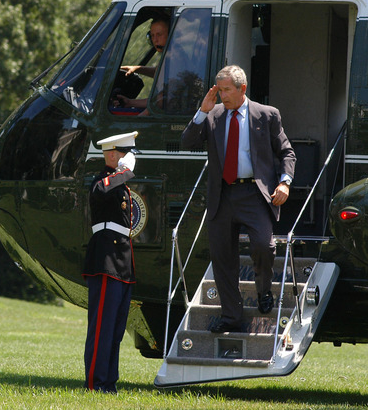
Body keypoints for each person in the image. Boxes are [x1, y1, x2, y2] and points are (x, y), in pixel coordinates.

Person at [181, 65, 296, 333]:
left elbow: (287, 153)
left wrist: (284, 183)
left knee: (263, 246)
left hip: (254, 194)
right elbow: (187, 142)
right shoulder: (213, 115)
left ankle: (264, 290)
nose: (222, 95)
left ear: (242, 88)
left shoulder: (267, 115)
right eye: (219, 90)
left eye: (226, 90)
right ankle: (231, 317)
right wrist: (202, 111)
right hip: (221, 195)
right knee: (222, 258)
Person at [83, 131, 139, 393]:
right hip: (106, 258)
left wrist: (123, 175)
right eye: (128, 153)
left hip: (122, 262)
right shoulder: (102, 180)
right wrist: (124, 172)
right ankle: (96, 383)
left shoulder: (119, 183)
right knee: (102, 326)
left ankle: (109, 382)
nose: (131, 159)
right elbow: (100, 192)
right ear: (114, 154)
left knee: (115, 328)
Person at [115, 18, 170, 109]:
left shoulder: (175, 58)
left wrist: (130, 102)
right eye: (152, 35)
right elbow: (160, 72)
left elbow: (163, 99)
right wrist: (135, 68)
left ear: (170, 35)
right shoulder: (169, 57)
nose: (155, 40)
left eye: (159, 34)